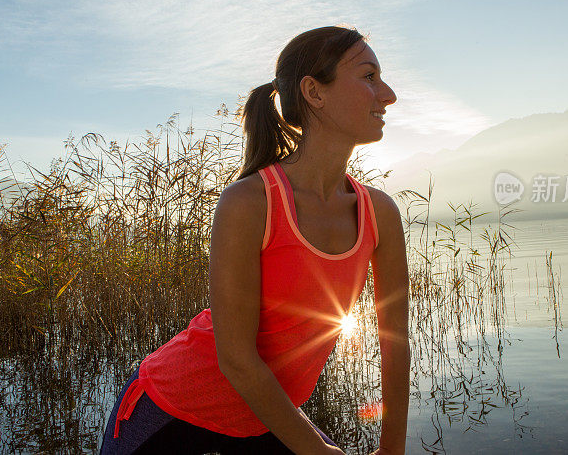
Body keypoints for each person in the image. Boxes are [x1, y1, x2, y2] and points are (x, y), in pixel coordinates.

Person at [100, 25, 410, 454]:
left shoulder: (380, 212)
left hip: (268, 417)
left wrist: (392, 446)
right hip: (172, 411)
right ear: (314, 92)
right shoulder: (250, 203)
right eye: (369, 77)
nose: (388, 94)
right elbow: (238, 360)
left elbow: (395, 341)